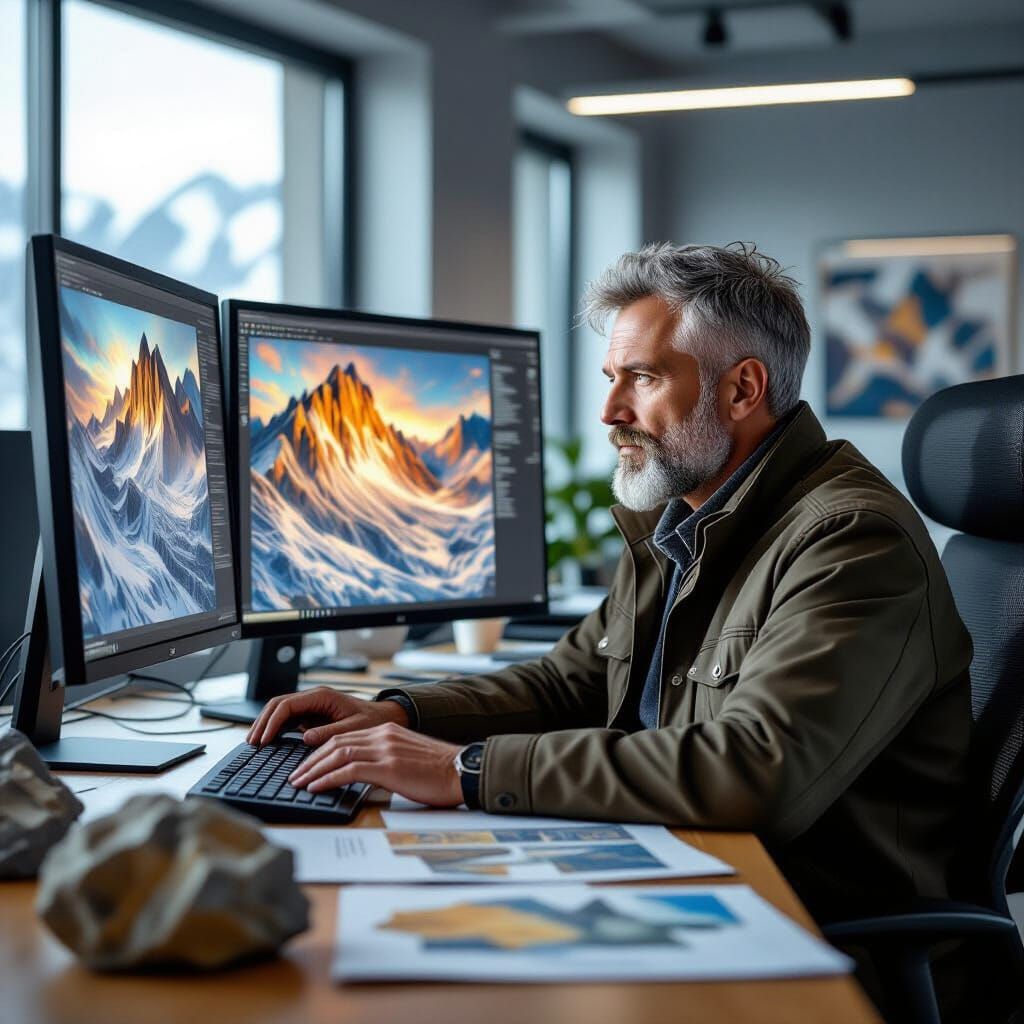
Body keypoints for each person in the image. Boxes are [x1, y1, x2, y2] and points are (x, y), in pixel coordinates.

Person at [248, 241, 973, 927]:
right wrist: (402, 714)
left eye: (645, 378)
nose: (610, 412)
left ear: (743, 389)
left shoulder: (848, 539)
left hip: (811, 923)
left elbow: (757, 769)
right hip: (686, 869)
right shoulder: (681, 519)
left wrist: (467, 770)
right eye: (611, 379)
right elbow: (570, 683)